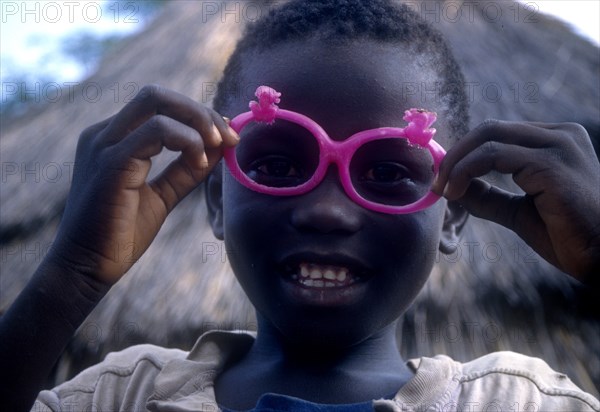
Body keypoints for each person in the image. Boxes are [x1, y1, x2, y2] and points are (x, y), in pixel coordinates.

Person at [1, 1, 599, 411]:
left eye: (388, 171)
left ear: (453, 212)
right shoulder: (120, 395)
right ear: (217, 198)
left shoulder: (518, 401)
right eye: (280, 165)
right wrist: (71, 273)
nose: (328, 212)